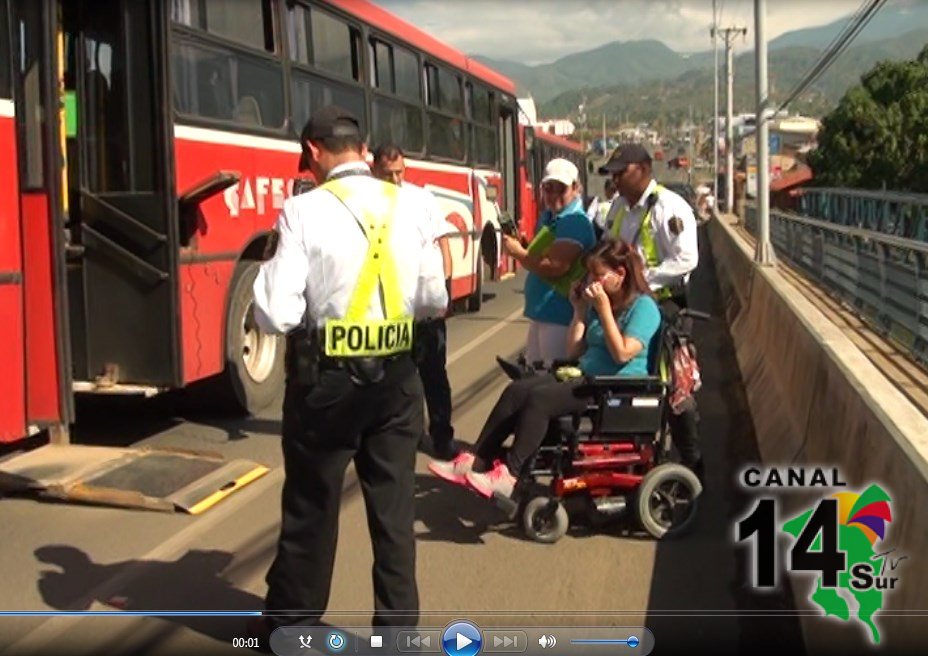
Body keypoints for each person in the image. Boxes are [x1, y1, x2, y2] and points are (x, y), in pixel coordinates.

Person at [248, 106, 447, 642]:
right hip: (399, 384)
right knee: (394, 518)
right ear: (362, 149)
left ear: (312, 151)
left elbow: (276, 314)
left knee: (312, 510)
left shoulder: (302, 212)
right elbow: (434, 298)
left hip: (326, 388)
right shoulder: (414, 205)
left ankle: (293, 626)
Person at [429, 239, 662, 498]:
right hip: (586, 376)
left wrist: (604, 310)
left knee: (540, 400)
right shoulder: (601, 304)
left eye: (597, 275)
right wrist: (579, 311)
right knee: (517, 390)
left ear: (620, 274)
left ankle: (511, 475)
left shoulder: (644, 308)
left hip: (612, 389)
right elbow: (574, 351)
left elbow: (621, 353)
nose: (591, 281)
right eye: (589, 275)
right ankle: (479, 459)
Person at [599, 143, 703, 480]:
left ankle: (692, 460)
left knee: (671, 384)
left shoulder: (669, 208)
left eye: (621, 172)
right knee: (624, 379)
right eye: (612, 173)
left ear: (643, 169)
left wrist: (644, 281)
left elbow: (687, 259)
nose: (615, 179)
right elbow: (605, 248)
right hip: (626, 304)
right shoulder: (616, 208)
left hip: (664, 304)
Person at [371, 143, 458, 461]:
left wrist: (445, 290)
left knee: (434, 375)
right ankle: (402, 436)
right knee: (395, 380)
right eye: (387, 174)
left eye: (400, 172)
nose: (395, 180)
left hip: (425, 309)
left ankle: (442, 435)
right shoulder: (366, 202)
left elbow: (442, 243)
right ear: (373, 170)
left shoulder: (421, 198)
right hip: (388, 312)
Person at [503, 158, 596, 365]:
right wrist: (525, 246)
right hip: (543, 314)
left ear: (575, 188)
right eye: (548, 188)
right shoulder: (551, 217)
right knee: (535, 375)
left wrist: (519, 254)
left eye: (560, 189)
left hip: (561, 317)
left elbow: (556, 267)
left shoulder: (575, 221)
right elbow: (542, 254)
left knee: (552, 378)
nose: (553, 195)